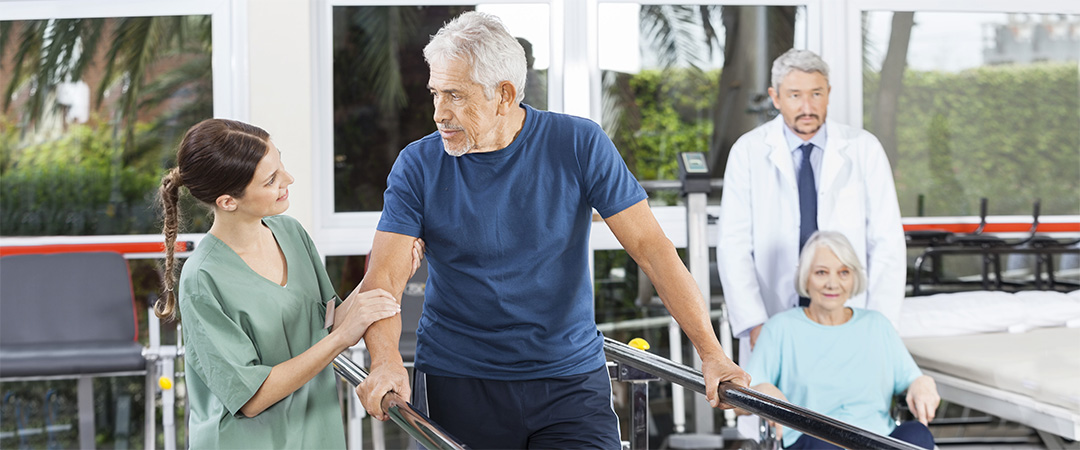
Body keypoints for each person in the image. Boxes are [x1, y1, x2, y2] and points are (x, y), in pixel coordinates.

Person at [354, 11, 750, 449]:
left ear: (504, 94)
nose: (439, 113)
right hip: (461, 380)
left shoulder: (579, 144)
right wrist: (386, 361)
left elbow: (652, 249)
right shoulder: (418, 164)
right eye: (435, 94)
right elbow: (384, 281)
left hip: (569, 380)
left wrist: (713, 356)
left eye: (455, 96)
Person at [155, 118, 422, 449]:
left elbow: (323, 322)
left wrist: (386, 273)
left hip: (314, 432)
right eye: (271, 180)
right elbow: (251, 397)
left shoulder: (290, 233)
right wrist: (341, 338)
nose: (288, 179)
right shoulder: (203, 279)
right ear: (228, 202)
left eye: (279, 163)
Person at [717, 48, 907, 358]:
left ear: (828, 93)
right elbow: (734, 246)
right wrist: (753, 322)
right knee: (774, 402)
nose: (807, 107)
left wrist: (880, 324)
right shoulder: (748, 152)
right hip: (773, 314)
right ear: (775, 98)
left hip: (850, 317)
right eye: (794, 95)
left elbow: (887, 243)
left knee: (842, 400)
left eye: (816, 94)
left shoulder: (864, 149)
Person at [743, 231, 939, 449]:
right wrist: (761, 388)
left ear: (854, 277)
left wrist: (922, 382)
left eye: (843, 272)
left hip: (877, 440)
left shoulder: (877, 325)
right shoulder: (780, 328)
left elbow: (911, 377)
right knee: (824, 442)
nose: (832, 283)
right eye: (821, 272)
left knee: (917, 435)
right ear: (805, 277)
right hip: (815, 440)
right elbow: (740, 401)